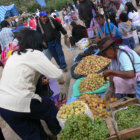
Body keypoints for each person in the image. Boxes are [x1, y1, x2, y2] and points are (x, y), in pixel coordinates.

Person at [0, 29, 64, 140]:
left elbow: (20, 78)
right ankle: (61, 134)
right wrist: (62, 80)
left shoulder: (14, 55)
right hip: (20, 100)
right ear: (37, 41)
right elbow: (58, 75)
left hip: (4, 106)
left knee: (31, 133)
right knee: (49, 108)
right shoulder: (34, 54)